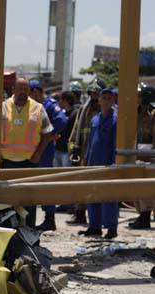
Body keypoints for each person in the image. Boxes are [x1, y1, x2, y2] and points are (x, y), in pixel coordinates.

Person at [1, 78, 54, 228]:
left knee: (29, 201)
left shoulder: (38, 108)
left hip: (29, 163)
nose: (23, 93)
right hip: (6, 163)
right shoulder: (2, 107)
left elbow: (47, 133)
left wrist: (38, 154)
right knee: (7, 201)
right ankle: (9, 236)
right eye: (20, 89)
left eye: (26, 89)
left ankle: (29, 234)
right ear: (13, 90)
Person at [28, 80, 68, 231]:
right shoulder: (32, 106)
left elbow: (61, 121)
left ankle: (49, 218)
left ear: (36, 91)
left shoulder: (49, 105)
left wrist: (48, 135)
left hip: (45, 151)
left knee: (44, 183)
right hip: (32, 149)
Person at [79, 88, 118, 239]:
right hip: (93, 163)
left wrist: (115, 164)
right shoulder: (95, 119)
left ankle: (111, 228)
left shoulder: (115, 120)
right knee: (92, 194)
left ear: (113, 101)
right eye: (104, 98)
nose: (106, 100)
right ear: (99, 100)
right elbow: (90, 142)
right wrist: (86, 159)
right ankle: (94, 226)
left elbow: (116, 145)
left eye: (109, 98)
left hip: (108, 164)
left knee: (109, 196)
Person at [67, 77, 106, 225]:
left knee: (100, 187)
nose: (94, 96)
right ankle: (80, 214)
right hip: (84, 155)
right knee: (81, 185)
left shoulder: (109, 112)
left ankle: (99, 218)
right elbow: (75, 131)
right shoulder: (83, 110)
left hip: (101, 156)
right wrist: (74, 149)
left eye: (97, 93)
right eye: (92, 93)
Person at [129, 83, 155, 229]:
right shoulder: (136, 113)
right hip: (137, 152)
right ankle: (142, 215)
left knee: (146, 189)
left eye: (139, 96)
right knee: (138, 187)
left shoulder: (153, 113)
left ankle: (145, 217)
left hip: (149, 154)